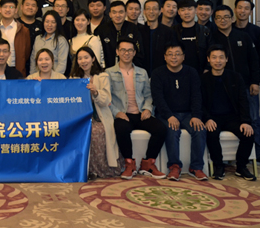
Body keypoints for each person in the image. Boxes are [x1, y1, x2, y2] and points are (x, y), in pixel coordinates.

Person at [107, 38, 167, 179]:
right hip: (122, 113)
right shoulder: (108, 73)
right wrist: (117, 113)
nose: (126, 53)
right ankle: (129, 164)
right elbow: (107, 99)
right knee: (121, 129)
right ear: (117, 52)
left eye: (130, 50)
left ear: (134, 53)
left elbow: (148, 95)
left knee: (161, 129)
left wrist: (147, 109)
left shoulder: (142, 72)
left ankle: (148, 164)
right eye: (123, 50)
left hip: (140, 113)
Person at [151, 42, 207, 181]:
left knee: (199, 129)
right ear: (165, 57)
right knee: (172, 130)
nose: (174, 57)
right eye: (170, 54)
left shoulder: (191, 72)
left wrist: (196, 116)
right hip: (167, 114)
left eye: (177, 54)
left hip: (188, 114)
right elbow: (158, 99)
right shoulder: (157, 73)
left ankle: (196, 167)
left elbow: (197, 96)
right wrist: (169, 116)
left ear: (183, 56)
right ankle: (174, 166)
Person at [202, 45, 256, 180]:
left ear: (226, 59)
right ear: (208, 59)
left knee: (248, 133)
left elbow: (243, 101)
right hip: (213, 117)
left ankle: (241, 167)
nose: (218, 61)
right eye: (214, 57)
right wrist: (207, 118)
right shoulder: (203, 79)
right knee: (211, 133)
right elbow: (199, 103)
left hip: (232, 117)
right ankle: (219, 166)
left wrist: (245, 121)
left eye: (221, 57)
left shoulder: (235, 77)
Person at [211, 5, 260, 151]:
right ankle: (230, 155)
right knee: (232, 119)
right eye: (219, 18)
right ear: (214, 20)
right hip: (222, 87)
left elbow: (254, 60)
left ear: (232, 18)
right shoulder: (212, 38)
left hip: (246, 85)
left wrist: (255, 82)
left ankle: (257, 153)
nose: (223, 20)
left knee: (253, 119)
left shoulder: (243, 36)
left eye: (226, 17)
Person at [69, 46, 121, 179]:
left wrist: (96, 92)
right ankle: (82, 169)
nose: (83, 61)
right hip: (80, 117)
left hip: (99, 116)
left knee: (96, 132)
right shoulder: (73, 78)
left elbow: (107, 101)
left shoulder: (102, 76)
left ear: (93, 59)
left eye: (86, 57)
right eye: (80, 58)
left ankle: (97, 169)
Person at [95, 1, 145, 69]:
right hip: (107, 70)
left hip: (130, 69)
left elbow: (139, 52)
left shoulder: (133, 29)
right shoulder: (101, 30)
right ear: (110, 14)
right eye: (114, 12)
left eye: (121, 12)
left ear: (126, 13)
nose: (117, 15)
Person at [172, 0, 212, 74]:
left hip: (200, 72)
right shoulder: (172, 31)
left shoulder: (205, 31)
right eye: (183, 10)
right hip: (177, 71)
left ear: (196, 11)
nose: (186, 13)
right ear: (178, 12)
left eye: (190, 9)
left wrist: (207, 68)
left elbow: (211, 50)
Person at [0, 0, 32, 77]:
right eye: (5, 7)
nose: (8, 10)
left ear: (16, 10)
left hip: (16, 69)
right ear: (0, 9)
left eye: (11, 7)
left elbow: (26, 54)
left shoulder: (23, 30)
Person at [142, 0, 176, 74]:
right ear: (144, 11)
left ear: (160, 11)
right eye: (148, 9)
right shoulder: (139, 31)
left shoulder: (168, 32)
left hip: (163, 73)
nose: (151, 11)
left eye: (154, 9)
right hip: (142, 73)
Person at [30, 11, 68, 75]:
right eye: (47, 21)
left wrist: (53, 78)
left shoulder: (61, 40)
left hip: (53, 78)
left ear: (57, 24)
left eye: (53, 22)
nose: (49, 25)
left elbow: (62, 64)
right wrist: (33, 76)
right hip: (37, 78)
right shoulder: (38, 38)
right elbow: (33, 60)